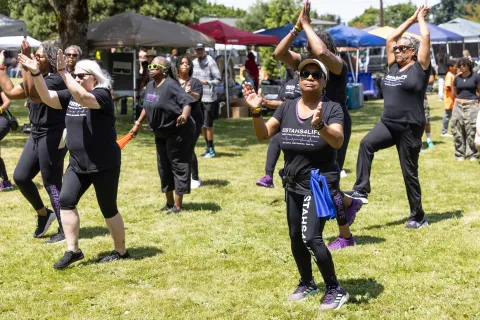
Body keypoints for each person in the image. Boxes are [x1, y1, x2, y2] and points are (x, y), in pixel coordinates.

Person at [243, 59, 349, 310]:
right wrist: (256, 111)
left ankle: (335, 289)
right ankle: (307, 282)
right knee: (295, 236)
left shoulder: (332, 108)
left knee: (311, 237)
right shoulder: (287, 107)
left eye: (316, 74)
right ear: (298, 79)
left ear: (324, 82)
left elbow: (337, 141)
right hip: (293, 181)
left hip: (318, 182)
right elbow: (262, 135)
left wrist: (320, 126)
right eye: (305, 73)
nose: (310, 77)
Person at [19, 50, 129, 269]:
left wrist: (63, 73)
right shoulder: (71, 95)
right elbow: (47, 98)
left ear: (94, 78)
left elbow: (83, 97)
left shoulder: (102, 95)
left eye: (81, 75)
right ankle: (73, 250)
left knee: (108, 208)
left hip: (103, 163)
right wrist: (36, 74)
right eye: (75, 75)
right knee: (66, 201)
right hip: (78, 163)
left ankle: (121, 251)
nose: (77, 78)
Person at [273, 2, 361, 250]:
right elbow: (279, 54)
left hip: (333, 123)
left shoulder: (336, 65)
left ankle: (345, 235)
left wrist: (309, 25)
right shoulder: (311, 65)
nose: (310, 59)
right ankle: (347, 203)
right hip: (308, 124)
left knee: (328, 182)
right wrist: (296, 28)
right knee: (316, 179)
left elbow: (322, 53)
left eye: (311, 49)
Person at [347, 6, 432, 229]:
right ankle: (361, 189)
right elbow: (392, 37)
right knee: (366, 144)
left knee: (409, 172)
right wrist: (411, 19)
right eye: (396, 49)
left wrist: (421, 20)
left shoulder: (420, 69)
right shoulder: (393, 67)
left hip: (409, 127)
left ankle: (418, 216)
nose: (397, 51)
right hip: (388, 123)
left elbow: (425, 37)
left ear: (412, 52)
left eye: (402, 49)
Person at [0, 41, 67, 244]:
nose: (36, 58)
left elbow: (33, 94)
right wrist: (1, 67)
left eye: (40, 56)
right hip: (36, 133)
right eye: (35, 55)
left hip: (54, 135)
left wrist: (27, 64)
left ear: (53, 60)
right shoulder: (40, 76)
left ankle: (65, 228)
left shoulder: (56, 80)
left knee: (51, 182)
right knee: (20, 176)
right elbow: (11, 92)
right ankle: (44, 214)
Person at [130, 56, 196, 214]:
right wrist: (138, 123)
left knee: (178, 165)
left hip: (178, 131)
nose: (151, 68)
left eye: (155, 65)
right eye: (150, 65)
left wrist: (184, 116)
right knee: (163, 167)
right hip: (160, 132)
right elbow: (147, 106)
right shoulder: (150, 86)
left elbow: (187, 101)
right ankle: (169, 202)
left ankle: (178, 206)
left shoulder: (171, 85)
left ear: (164, 70)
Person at [256, 71, 301, 188]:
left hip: (302, 122)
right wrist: (264, 102)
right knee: (275, 139)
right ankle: (268, 176)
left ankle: (286, 172)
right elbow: (280, 102)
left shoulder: (309, 85)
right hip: (286, 120)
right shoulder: (288, 84)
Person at [175, 56, 204, 189]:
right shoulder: (173, 83)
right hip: (177, 119)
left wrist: (190, 93)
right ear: (177, 67)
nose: (185, 65)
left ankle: (195, 178)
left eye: (187, 63)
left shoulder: (195, 82)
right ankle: (180, 176)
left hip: (194, 119)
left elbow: (197, 96)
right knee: (179, 148)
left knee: (189, 147)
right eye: (182, 63)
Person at [192, 43, 221, 159]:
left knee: (208, 124)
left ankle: (211, 148)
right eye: (197, 50)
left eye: (200, 50)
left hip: (209, 97)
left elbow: (218, 79)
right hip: (197, 97)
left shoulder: (211, 61)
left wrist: (207, 82)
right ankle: (207, 147)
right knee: (201, 124)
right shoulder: (194, 63)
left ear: (204, 50)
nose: (199, 52)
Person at [451, 57, 480, 161]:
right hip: (458, 105)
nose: (461, 67)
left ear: (468, 65)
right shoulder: (457, 78)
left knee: (471, 129)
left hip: (472, 105)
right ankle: (459, 154)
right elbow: (454, 92)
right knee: (457, 129)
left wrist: (475, 102)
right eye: (460, 66)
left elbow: (479, 91)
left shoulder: (476, 77)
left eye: (464, 65)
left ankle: (472, 154)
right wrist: (458, 100)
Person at [0, 88, 12, 191]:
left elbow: (7, 101)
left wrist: (0, 109)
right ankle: (5, 182)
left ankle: (5, 182)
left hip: (1, 120)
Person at [441, 59, 456, 137]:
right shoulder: (449, 75)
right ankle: (444, 132)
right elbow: (447, 87)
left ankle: (453, 130)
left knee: (452, 115)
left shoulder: (452, 74)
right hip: (449, 99)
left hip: (452, 99)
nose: (456, 67)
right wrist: (454, 91)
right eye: (454, 65)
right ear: (450, 67)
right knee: (447, 116)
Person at [423, 68, 435, 150]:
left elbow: (431, 81)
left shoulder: (426, 66)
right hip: (409, 98)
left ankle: (428, 139)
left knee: (426, 120)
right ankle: (417, 142)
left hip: (422, 98)